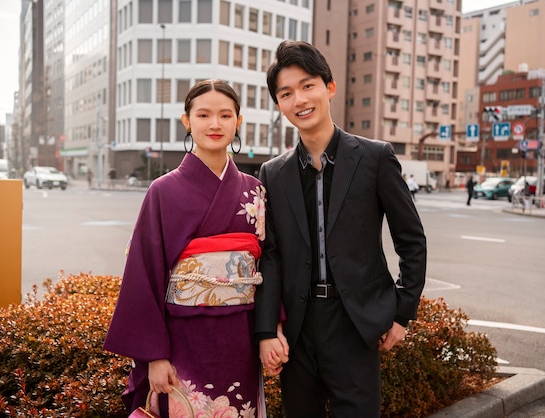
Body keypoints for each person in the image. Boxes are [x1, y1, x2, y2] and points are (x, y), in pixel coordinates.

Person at [255, 40, 427, 417]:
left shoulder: (375, 157)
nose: (299, 99)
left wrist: (402, 313)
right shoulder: (273, 173)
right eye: (286, 93)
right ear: (279, 105)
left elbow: (411, 240)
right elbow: (271, 256)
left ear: (329, 88)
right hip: (298, 330)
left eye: (307, 85)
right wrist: (268, 329)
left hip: (355, 323)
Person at [104, 80, 285, 417]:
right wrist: (154, 356)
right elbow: (143, 276)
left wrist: (270, 330)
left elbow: (270, 267)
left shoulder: (255, 192)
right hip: (181, 342)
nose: (214, 124)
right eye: (203, 115)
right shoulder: (163, 191)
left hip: (240, 339)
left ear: (238, 122)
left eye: (225, 115)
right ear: (187, 121)